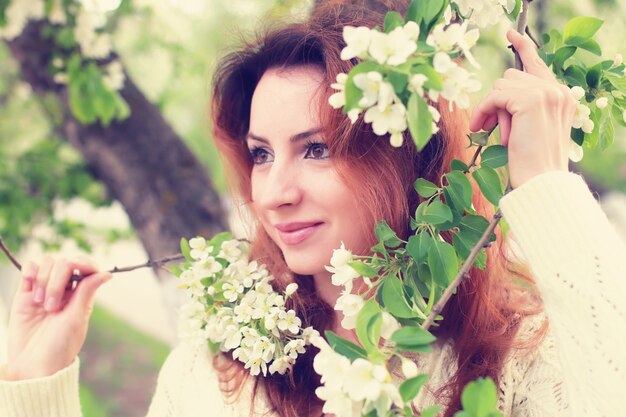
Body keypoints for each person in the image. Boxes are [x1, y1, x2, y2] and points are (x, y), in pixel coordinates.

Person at [1, 1, 625, 417]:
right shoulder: (219, 368)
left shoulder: (516, 356)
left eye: (318, 148)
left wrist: (545, 187)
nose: (273, 192)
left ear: (404, 157)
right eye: (262, 154)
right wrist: (36, 383)